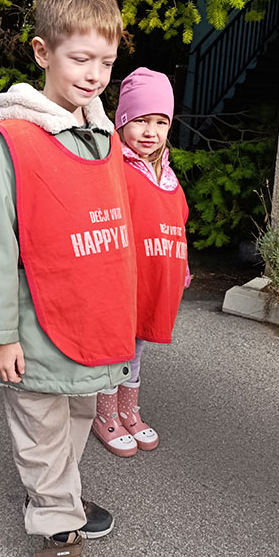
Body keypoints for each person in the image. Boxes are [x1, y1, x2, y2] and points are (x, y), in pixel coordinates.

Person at [0, 0, 137, 557]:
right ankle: (57, 537)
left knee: (77, 416)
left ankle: (58, 498)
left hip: (89, 323)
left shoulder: (105, 139)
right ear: (42, 52)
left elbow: (114, 235)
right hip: (35, 330)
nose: (95, 75)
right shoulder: (14, 142)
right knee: (41, 435)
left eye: (106, 62)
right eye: (80, 58)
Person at [92, 67, 189, 457]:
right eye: (140, 121)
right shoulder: (113, 167)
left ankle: (128, 410)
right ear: (122, 121)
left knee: (136, 348)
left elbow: (177, 223)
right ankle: (104, 414)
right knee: (114, 348)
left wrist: (182, 268)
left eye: (160, 122)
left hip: (152, 283)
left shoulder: (167, 176)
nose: (150, 131)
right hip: (121, 282)